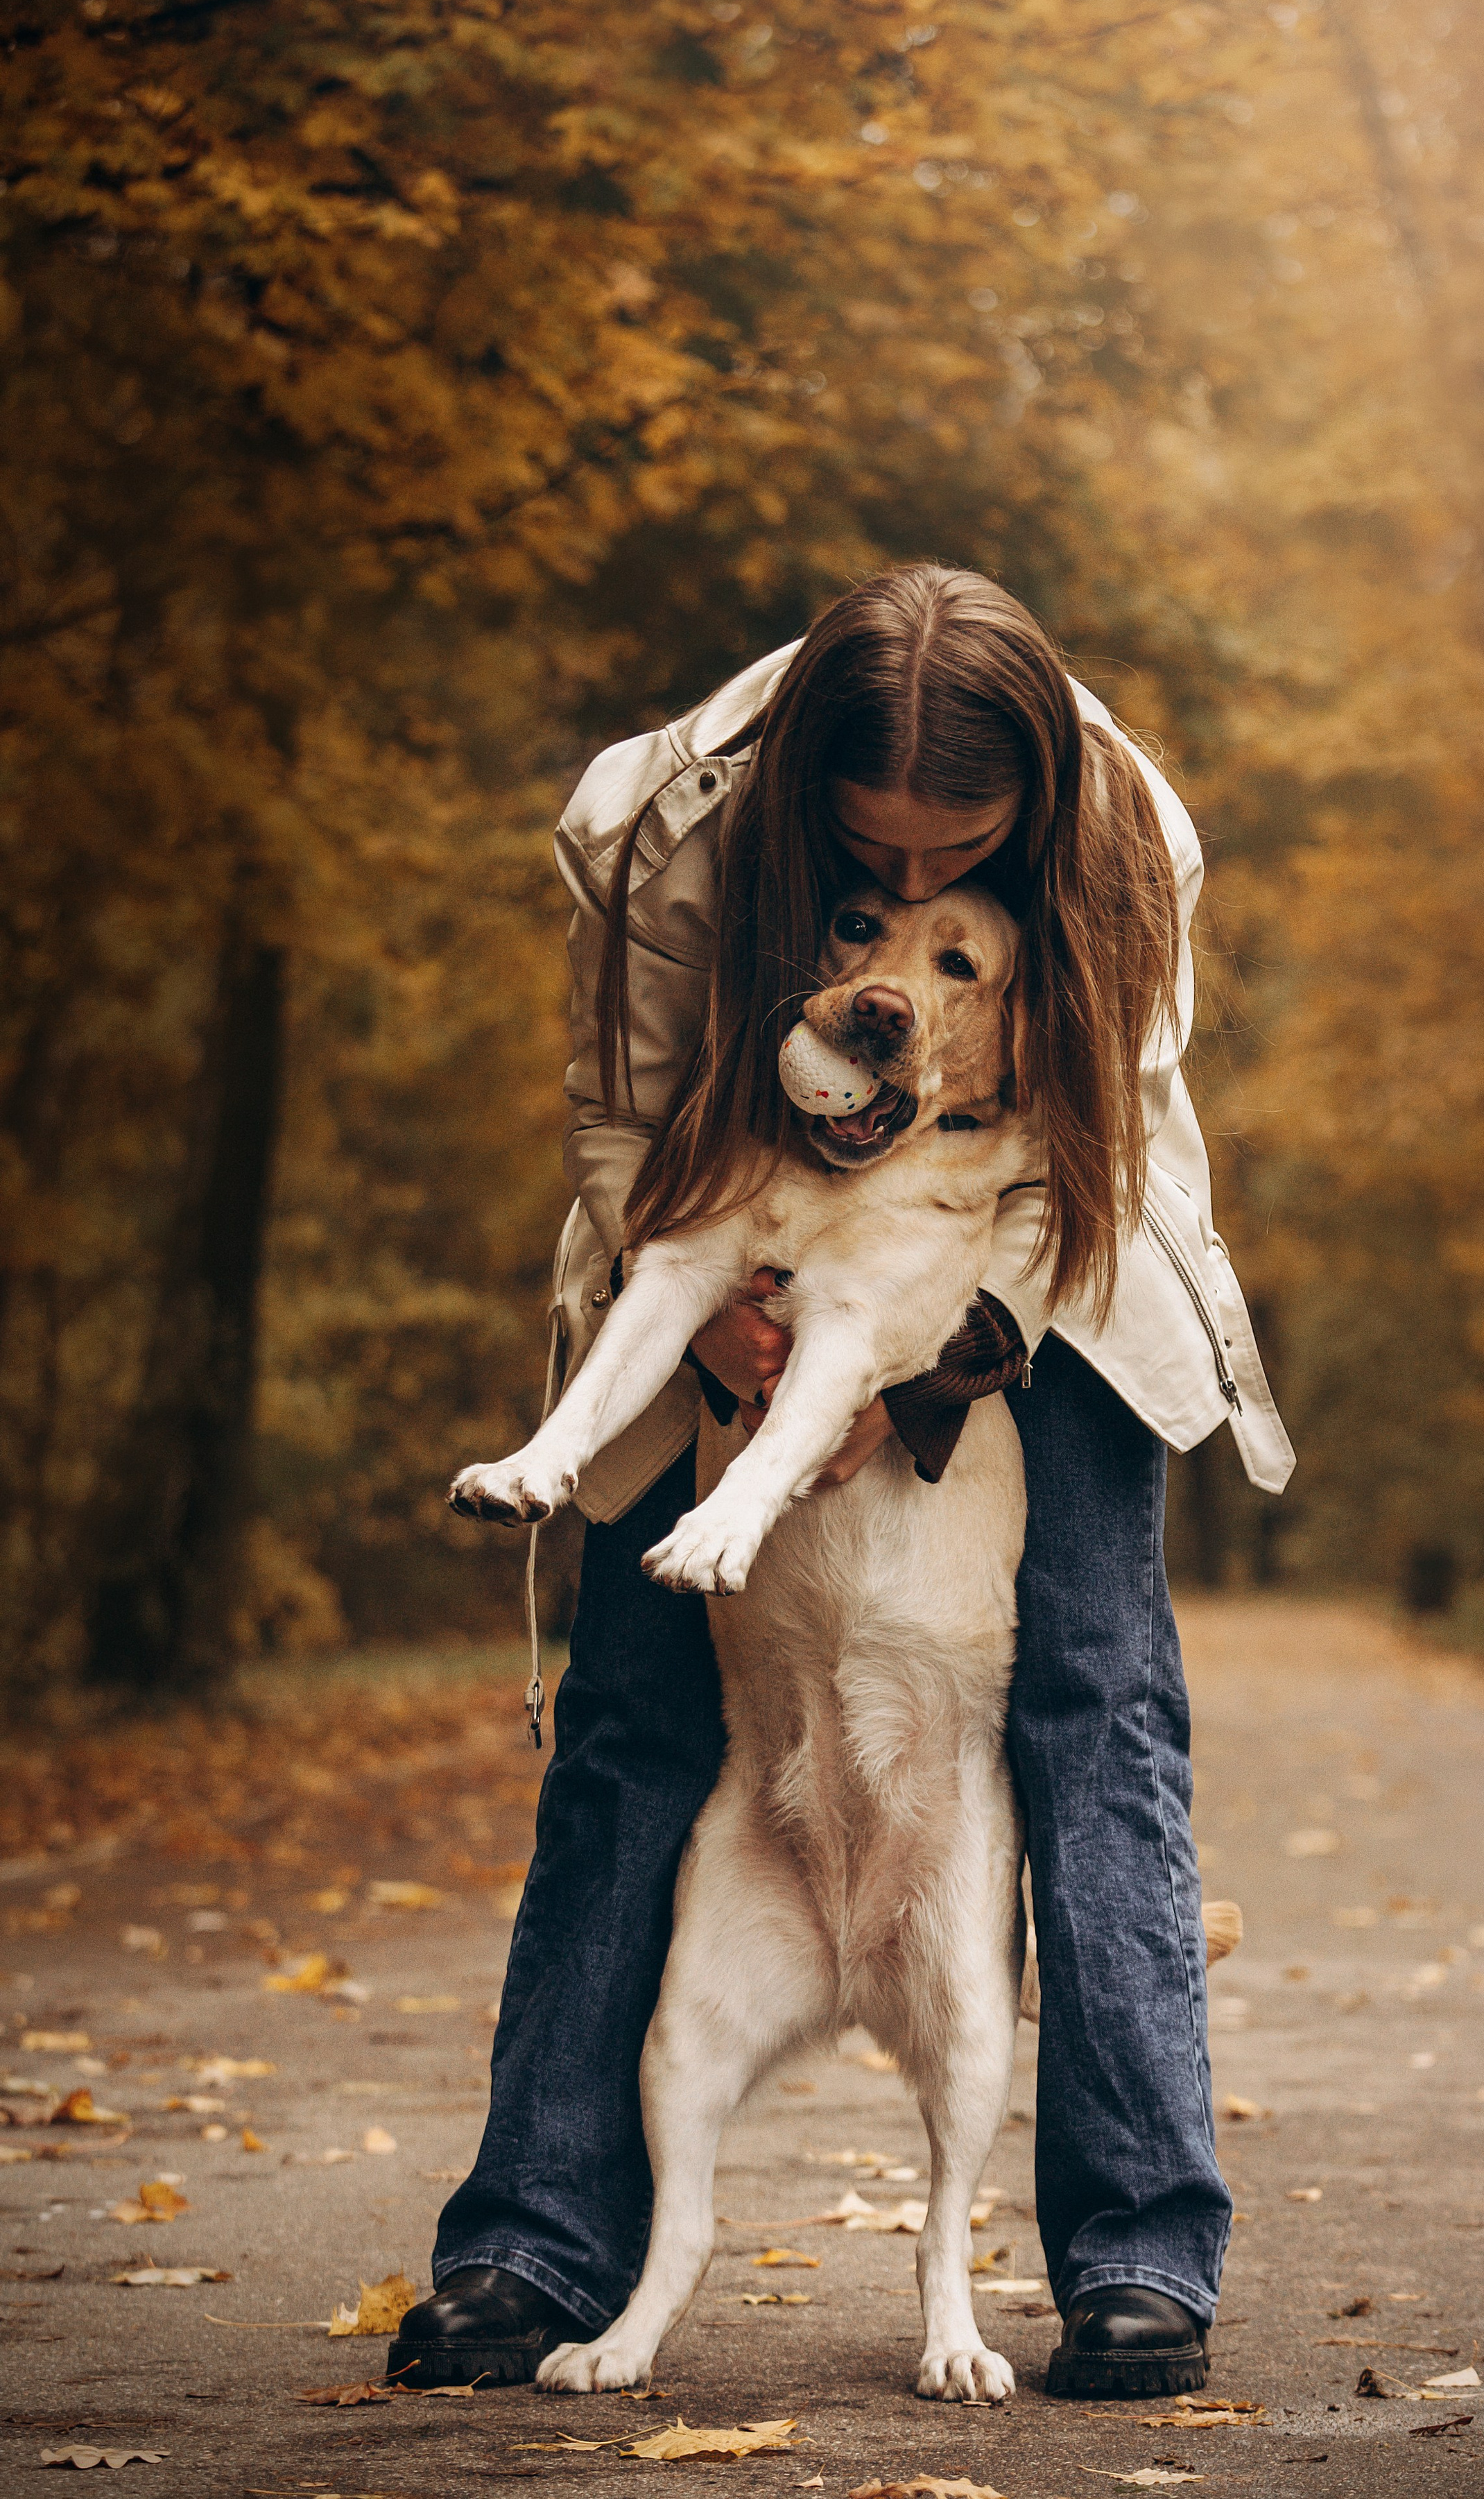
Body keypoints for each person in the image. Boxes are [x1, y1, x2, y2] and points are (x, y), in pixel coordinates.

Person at [392, 564, 1293, 2401]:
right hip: (725, 1231)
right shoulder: (654, 825)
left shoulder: (1131, 838)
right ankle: (533, 2243)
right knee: (637, 1714)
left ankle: (1137, 2256)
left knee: (1096, 1700)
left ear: (1036, 802)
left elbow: (1092, 1147)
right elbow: (617, 1115)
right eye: (869, 852)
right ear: (806, 780)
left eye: (958, 851)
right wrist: (726, 1323)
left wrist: (925, 1362)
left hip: (1046, 1254)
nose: (907, 881)